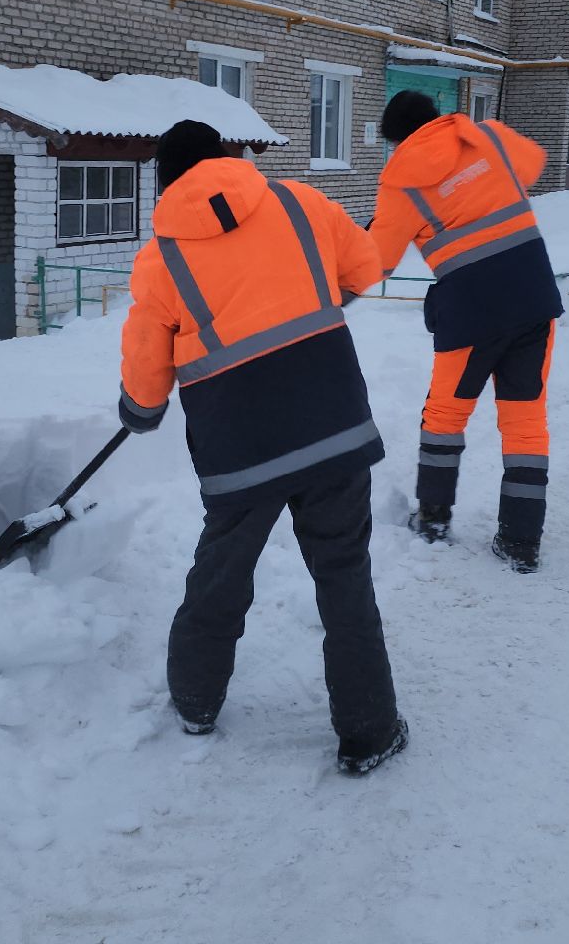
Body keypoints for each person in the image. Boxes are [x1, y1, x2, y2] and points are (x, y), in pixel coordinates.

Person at [118, 119, 407, 775]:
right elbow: (365, 266)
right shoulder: (301, 203)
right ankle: (368, 731)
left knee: (221, 576)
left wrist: (138, 411)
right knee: (344, 578)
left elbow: (145, 367)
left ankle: (195, 703)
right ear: (225, 158)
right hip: (331, 423)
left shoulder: (161, 257)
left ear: (164, 182)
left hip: (239, 448)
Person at [368, 91, 558, 574]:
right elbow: (534, 162)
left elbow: (377, 261)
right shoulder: (486, 136)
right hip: (532, 293)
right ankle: (521, 542)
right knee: (526, 421)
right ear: (436, 118)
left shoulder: (402, 181)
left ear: (397, 140)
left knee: (445, 415)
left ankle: (432, 520)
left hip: (471, 309)